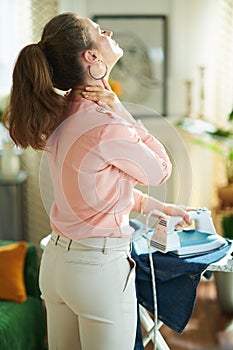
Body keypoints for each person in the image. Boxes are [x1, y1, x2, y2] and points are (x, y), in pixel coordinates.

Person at [4, 12, 193, 350]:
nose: (107, 32)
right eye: (98, 30)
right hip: (97, 271)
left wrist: (159, 207)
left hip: (57, 265)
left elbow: (95, 191)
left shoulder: (58, 113)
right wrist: (124, 112)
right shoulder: (108, 122)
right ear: (90, 57)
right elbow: (160, 170)